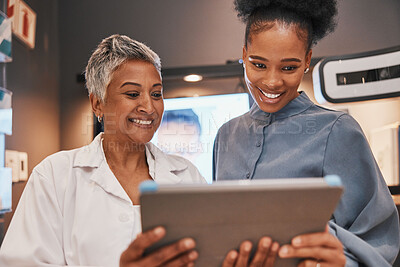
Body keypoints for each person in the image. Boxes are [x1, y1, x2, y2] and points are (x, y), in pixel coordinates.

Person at [213, 0, 400, 266]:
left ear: (307, 61)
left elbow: (378, 240)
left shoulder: (338, 131)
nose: (272, 81)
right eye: (258, 64)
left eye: (288, 67)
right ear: (244, 55)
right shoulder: (226, 135)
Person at [0, 34, 207, 267]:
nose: (149, 107)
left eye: (156, 94)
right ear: (97, 103)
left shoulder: (188, 176)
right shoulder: (54, 176)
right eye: (132, 94)